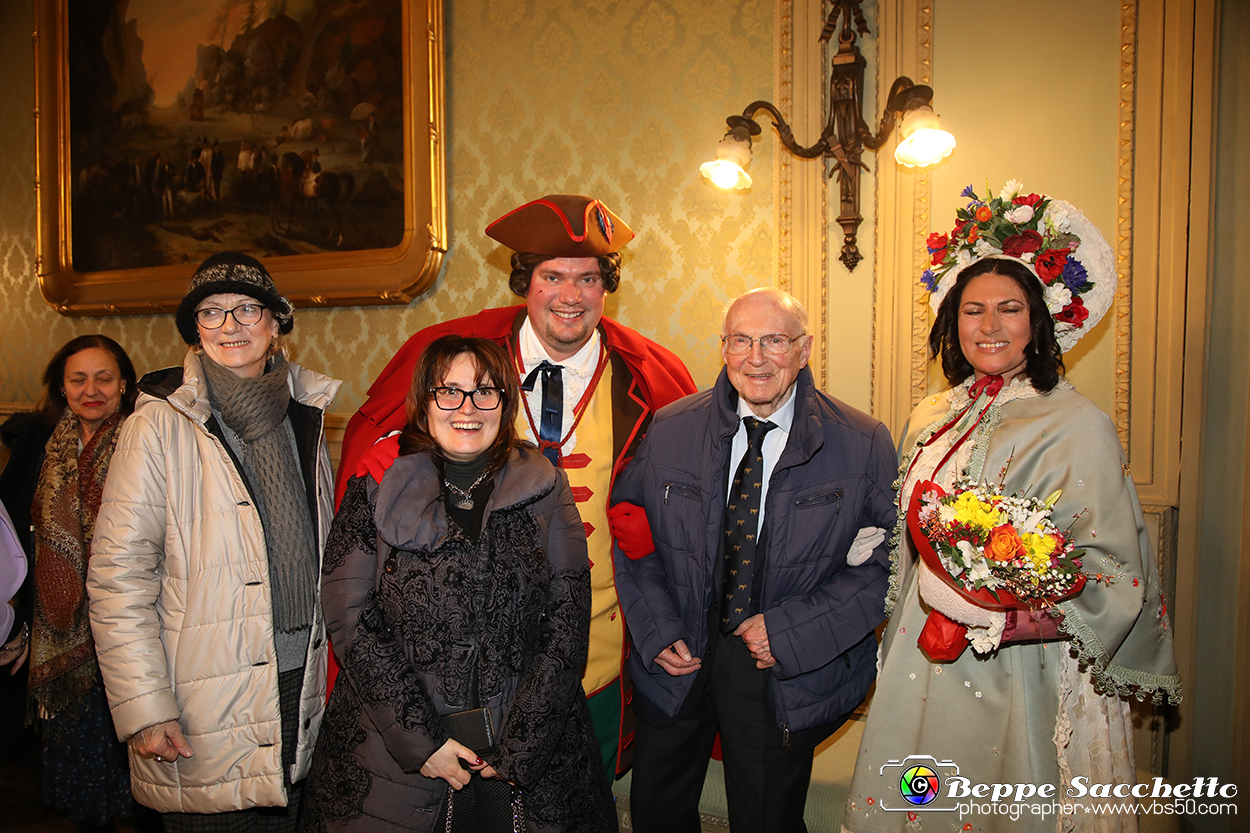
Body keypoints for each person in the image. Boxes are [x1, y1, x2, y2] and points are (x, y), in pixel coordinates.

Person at [842, 182, 1181, 832]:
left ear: (1040, 318)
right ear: (951, 319)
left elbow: (1115, 573)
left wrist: (1009, 620)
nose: (990, 326)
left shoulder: (1079, 423)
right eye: (973, 309)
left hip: (1016, 669)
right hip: (921, 655)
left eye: (1009, 308)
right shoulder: (930, 414)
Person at [337, 194, 697, 779]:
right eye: (551, 276)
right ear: (524, 281)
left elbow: (692, 519)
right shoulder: (447, 357)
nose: (570, 296)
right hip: (468, 671)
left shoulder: (653, 375)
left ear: (607, 285)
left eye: (588, 278)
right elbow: (372, 457)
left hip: (598, 659)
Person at [301, 335, 617, 832]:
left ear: (505, 402)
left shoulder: (545, 484)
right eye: (449, 391)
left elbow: (568, 615)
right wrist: (421, 742)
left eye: (485, 391)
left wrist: (523, 743)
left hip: (527, 747)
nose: (467, 408)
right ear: (424, 402)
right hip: (392, 750)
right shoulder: (376, 482)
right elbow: (349, 616)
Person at [610, 287, 897, 833]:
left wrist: (790, 632)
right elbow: (632, 536)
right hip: (678, 653)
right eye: (741, 340)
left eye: (774, 340)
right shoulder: (671, 428)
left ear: (805, 348)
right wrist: (655, 629)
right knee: (656, 814)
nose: (756, 357)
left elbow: (890, 563)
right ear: (723, 347)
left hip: (776, 665)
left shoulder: (860, 442)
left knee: (767, 820)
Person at [86, 252, 341, 832]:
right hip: (203, 702)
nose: (231, 326)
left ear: (277, 323)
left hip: (301, 686)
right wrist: (145, 709)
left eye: (247, 309)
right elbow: (118, 579)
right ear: (195, 332)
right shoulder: (156, 425)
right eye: (211, 312)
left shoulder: (308, 411)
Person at [0, 335, 139, 830]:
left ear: (124, 383)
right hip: (59, 631)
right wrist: (14, 619)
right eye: (78, 379)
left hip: (132, 622)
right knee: (82, 757)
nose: (92, 389)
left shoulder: (146, 438)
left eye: (104, 377)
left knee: (137, 756)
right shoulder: (38, 443)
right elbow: (12, 537)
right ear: (62, 385)